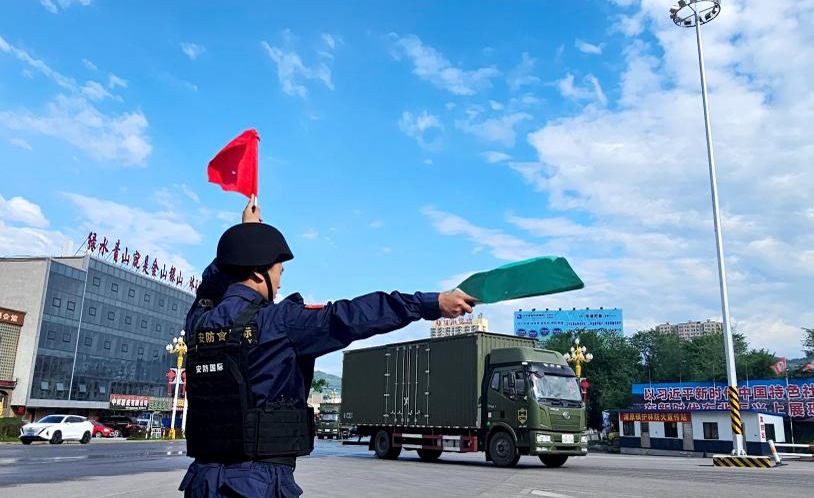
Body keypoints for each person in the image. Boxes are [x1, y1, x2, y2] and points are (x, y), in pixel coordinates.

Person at [179, 199, 477, 498]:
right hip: (255, 483)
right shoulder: (280, 322)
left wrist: (244, 238)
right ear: (259, 273)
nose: (281, 281)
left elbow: (209, 286)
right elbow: (354, 315)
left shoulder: (197, 323)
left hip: (203, 482)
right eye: (279, 270)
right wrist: (432, 303)